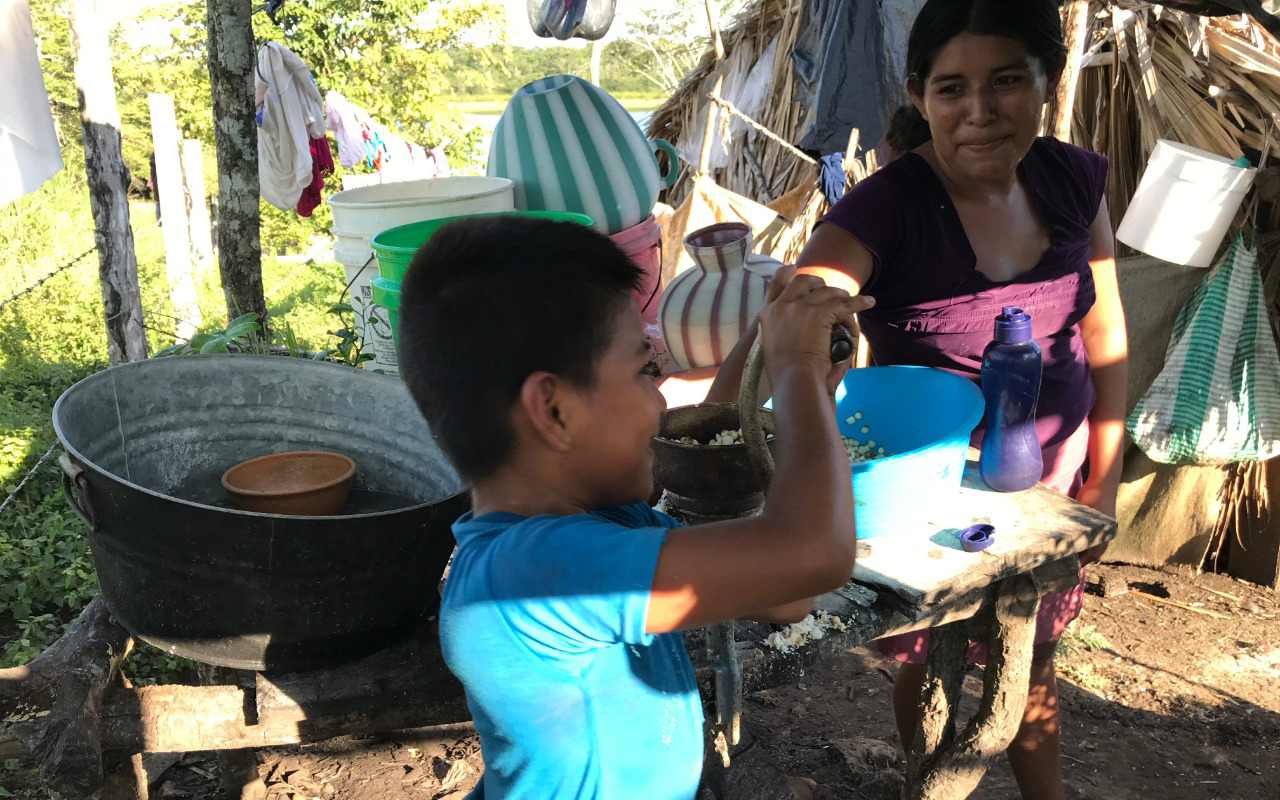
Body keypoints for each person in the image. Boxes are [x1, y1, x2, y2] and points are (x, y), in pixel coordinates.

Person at [395, 214, 874, 798]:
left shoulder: (607, 527)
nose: (660, 401)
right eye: (647, 370)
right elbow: (814, 555)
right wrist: (797, 369)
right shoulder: (530, 577)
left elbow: (788, 595)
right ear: (554, 411)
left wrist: (773, 348)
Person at [792, 1, 1129, 798]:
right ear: (918, 93)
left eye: (1007, 81)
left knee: (1033, 652)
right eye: (951, 88)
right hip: (929, 495)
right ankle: (930, 781)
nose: (980, 111)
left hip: (1054, 475)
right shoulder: (887, 208)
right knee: (928, 654)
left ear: (1047, 82)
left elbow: (1107, 341)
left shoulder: (1073, 183)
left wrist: (1103, 480)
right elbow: (805, 299)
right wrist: (806, 315)